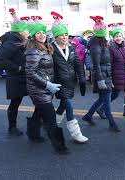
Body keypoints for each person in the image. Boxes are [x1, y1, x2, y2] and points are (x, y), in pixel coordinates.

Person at [25, 16, 69, 154]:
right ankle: (60, 146)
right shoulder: (33, 50)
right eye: (38, 33)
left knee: (39, 112)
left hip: (44, 88)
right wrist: (47, 84)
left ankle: (32, 134)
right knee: (51, 118)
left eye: (43, 32)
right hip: (39, 89)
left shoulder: (44, 48)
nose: (42, 35)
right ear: (33, 36)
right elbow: (30, 72)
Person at [50, 12, 88, 143]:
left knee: (62, 106)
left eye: (66, 35)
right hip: (58, 84)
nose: (65, 37)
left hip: (70, 82)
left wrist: (82, 80)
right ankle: (76, 133)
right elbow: (48, 68)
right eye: (62, 35)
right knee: (69, 106)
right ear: (56, 37)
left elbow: (78, 64)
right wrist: (49, 83)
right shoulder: (51, 50)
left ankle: (51, 124)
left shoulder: (71, 47)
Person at [82, 16, 121, 132]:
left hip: (106, 75)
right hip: (102, 77)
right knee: (107, 101)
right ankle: (112, 123)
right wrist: (100, 80)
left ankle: (88, 116)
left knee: (101, 99)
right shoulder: (96, 46)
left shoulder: (103, 43)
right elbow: (96, 65)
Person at [0, 8, 29, 136]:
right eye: (25, 29)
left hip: (24, 76)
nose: (27, 31)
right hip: (16, 78)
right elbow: (0, 58)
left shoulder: (20, 40)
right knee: (15, 103)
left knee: (39, 98)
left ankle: (38, 121)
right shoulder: (12, 42)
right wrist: (17, 68)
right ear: (20, 31)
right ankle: (12, 127)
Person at [97, 22, 125, 118]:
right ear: (113, 38)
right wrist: (110, 78)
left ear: (122, 37)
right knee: (115, 94)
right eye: (116, 36)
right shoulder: (111, 49)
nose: (118, 38)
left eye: (119, 36)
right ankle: (101, 109)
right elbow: (109, 64)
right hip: (117, 75)